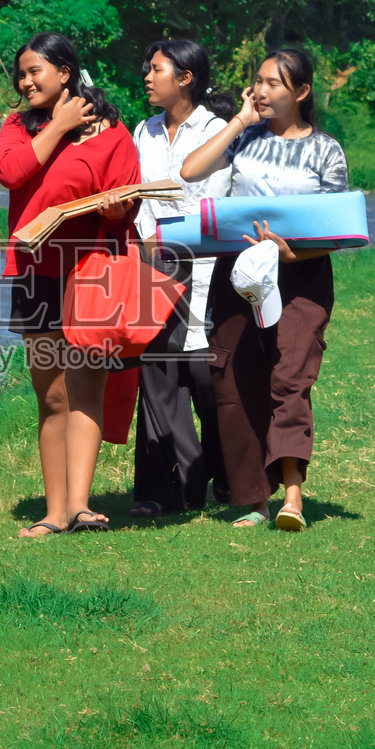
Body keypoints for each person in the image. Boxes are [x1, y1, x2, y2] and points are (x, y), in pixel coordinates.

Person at [179, 49, 348, 532]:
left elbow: (337, 225)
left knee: (289, 378)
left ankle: (292, 496)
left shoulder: (326, 150)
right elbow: (190, 171)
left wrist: (296, 255)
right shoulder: (245, 136)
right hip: (240, 274)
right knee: (235, 380)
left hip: (301, 275)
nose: (261, 90)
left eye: (274, 83)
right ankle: (254, 499)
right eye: (258, 80)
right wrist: (239, 120)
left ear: (302, 91)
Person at [0, 32, 141, 537]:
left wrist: (117, 208)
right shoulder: (17, 126)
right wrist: (58, 126)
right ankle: (54, 512)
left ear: (65, 73)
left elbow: (127, 200)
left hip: (91, 274)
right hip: (34, 273)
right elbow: (11, 173)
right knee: (52, 394)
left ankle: (80, 506)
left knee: (85, 387)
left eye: (35, 70)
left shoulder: (112, 131)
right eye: (21, 73)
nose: (26, 81)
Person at [129, 40, 231, 517]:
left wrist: (168, 240)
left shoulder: (215, 131)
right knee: (156, 373)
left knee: (206, 377)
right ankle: (160, 491)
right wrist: (145, 242)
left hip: (204, 264)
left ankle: (224, 474)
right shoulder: (144, 130)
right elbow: (140, 195)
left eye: (157, 69)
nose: (147, 77)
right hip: (151, 262)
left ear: (185, 78)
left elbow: (211, 200)